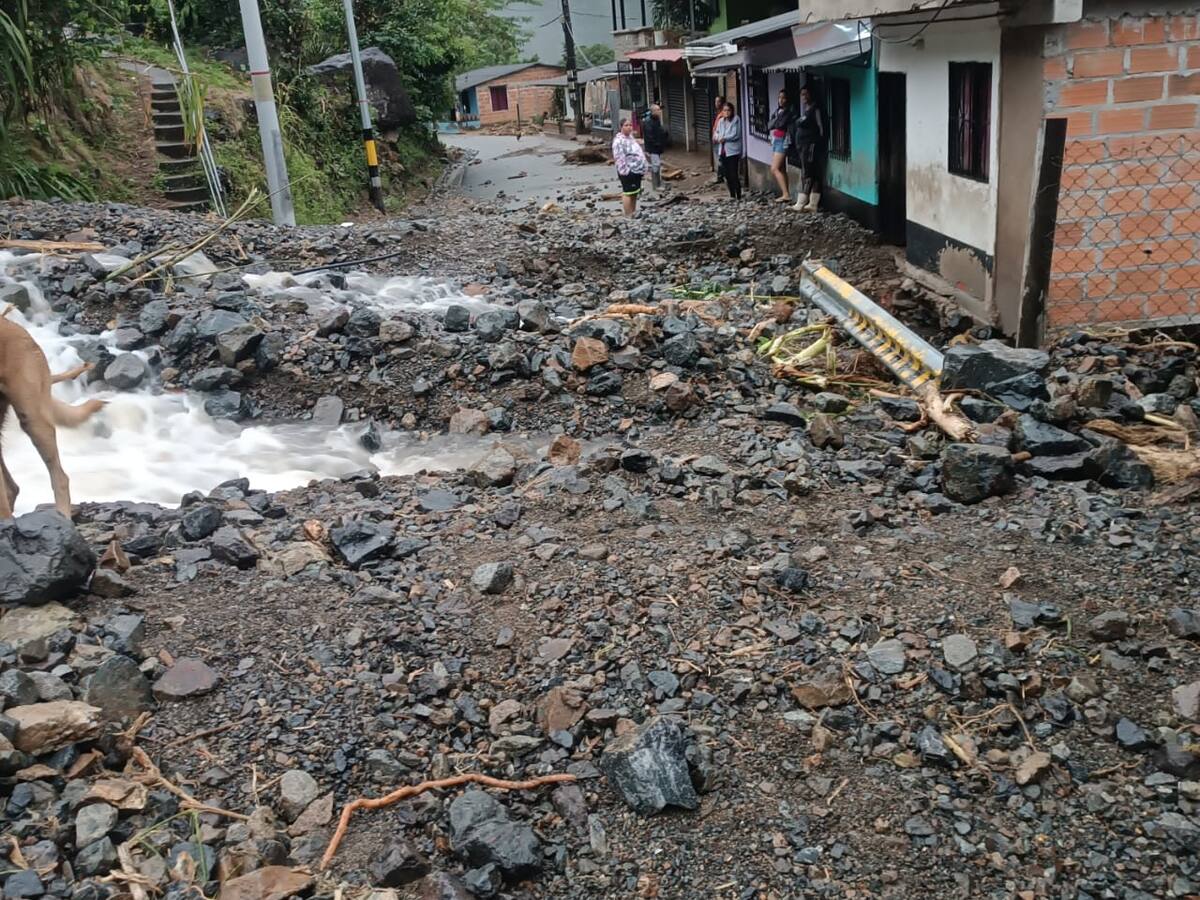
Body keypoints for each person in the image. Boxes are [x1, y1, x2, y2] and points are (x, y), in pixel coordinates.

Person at [789, 85, 826, 212]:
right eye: (802, 94)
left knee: (808, 173)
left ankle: (801, 202)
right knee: (813, 174)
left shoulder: (815, 109)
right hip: (803, 146)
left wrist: (817, 143)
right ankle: (813, 203)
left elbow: (821, 128)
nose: (804, 97)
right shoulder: (806, 109)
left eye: (806, 94)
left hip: (810, 146)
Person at [612, 117, 647, 217]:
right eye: (626, 125)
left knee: (634, 192)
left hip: (637, 170)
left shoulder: (631, 138)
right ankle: (628, 214)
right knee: (628, 192)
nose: (629, 127)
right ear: (621, 127)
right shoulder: (619, 141)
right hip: (628, 171)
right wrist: (625, 171)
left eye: (630, 125)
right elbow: (619, 158)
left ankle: (633, 211)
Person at [768, 89, 795, 203]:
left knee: (774, 168)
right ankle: (786, 193)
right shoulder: (778, 111)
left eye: (783, 98)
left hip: (783, 140)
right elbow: (770, 124)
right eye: (779, 98)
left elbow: (780, 124)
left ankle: (786, 194)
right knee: (781, 168)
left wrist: (775, 121)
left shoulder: (789, 112)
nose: (781, 100)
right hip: (776, 139)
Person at [714, 100, 743, 200]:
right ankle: (731, 194)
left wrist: (724, 138)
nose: (726, 112)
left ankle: (738, 194)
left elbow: (735, 134)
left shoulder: (736, 120)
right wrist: (719, 138)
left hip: (733, 151)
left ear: (732, 111)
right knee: (726, 174)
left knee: (733, 173)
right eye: (724, 110)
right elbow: (716, 133)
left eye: (728, 110)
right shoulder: (721, 121)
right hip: (723, 150)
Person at [643, 104, 668, 192]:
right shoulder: (648, 122)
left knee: (657, 165)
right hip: (653, 148)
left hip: (657, 147)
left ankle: (658, 183)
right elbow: (649, 136)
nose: (660, 112)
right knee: (656, 165)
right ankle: (656, 185)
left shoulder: (656, 120)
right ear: (653, 111)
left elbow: (659, 131)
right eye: (658, 110)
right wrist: (656, 143)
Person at [711, 94, 726, 184]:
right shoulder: (719, 113)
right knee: (719, 158)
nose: (716, 103)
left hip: (720, 140)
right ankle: (720, 176)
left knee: (721, 158)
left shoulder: (723, 115)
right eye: (716, 101)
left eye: (718, 101)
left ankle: (720, 176)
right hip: (716, 139)